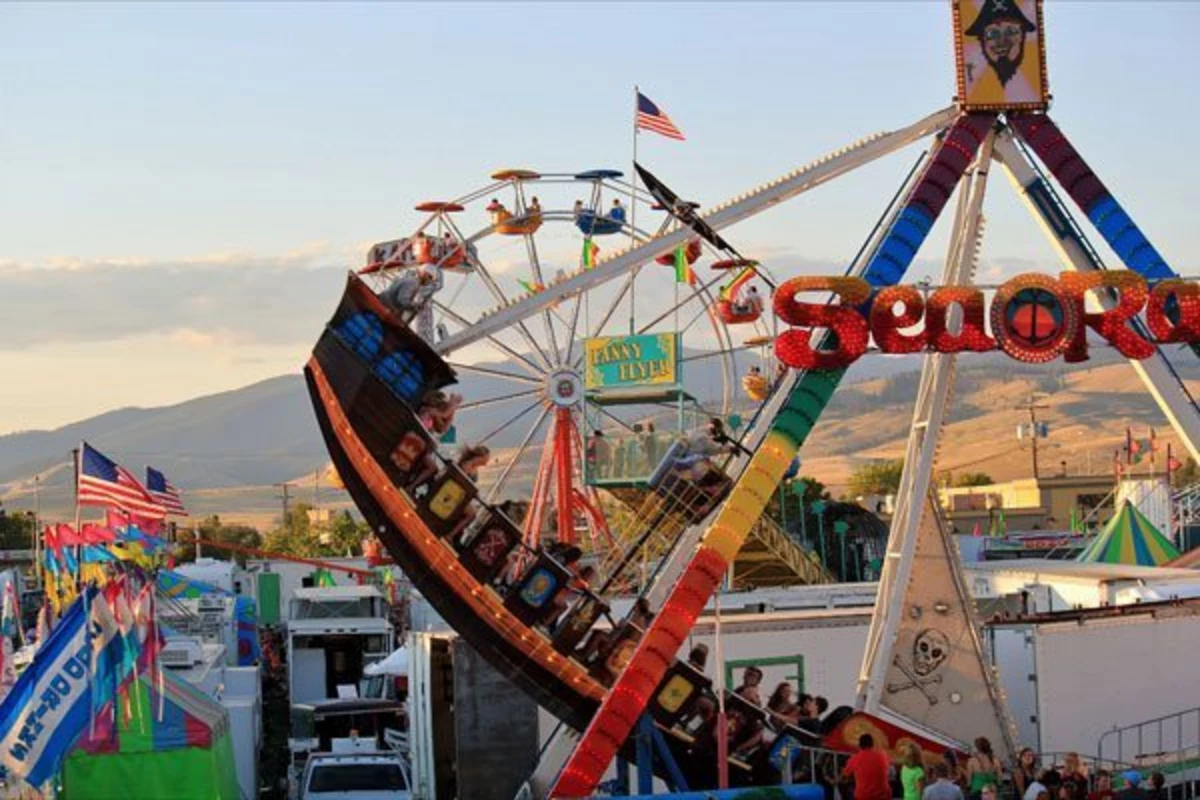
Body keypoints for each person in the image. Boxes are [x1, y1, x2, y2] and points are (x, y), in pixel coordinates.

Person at [841, 733, 891, 800]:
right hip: (883, 796)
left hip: (863, 797)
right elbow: (886, 768)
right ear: (872, 744)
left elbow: (845, 774)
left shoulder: (855, 758)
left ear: (860, 745)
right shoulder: (883, 756)